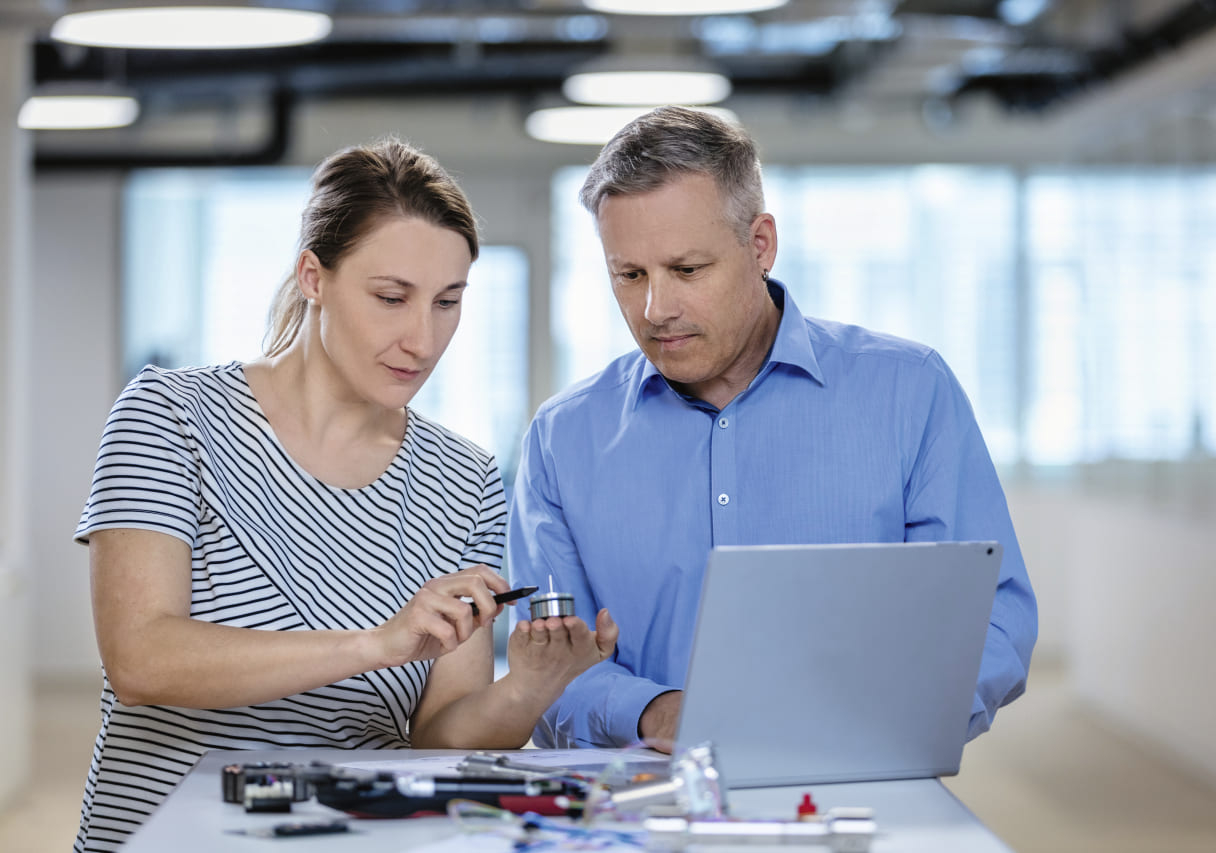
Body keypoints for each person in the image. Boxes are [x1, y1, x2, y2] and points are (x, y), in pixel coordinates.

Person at [73, 138, 618, 852]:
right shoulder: (171, 417)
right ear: (313, 277)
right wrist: (381, 643)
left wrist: (530, 686)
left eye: (448, 303)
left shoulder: (466, 480)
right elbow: (141, 658)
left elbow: (439, 739)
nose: (422, 338)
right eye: (391, 298)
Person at [508, 106, 1036, 751]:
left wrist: (870, 717)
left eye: (688, 269)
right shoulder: (563, 438)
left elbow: (992, 619)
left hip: (863, 785)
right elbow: (544, 673)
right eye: (630, 275)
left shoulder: (909, 391)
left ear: (759, 245)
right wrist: (655, 712)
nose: (656, 309)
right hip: (636, 805)